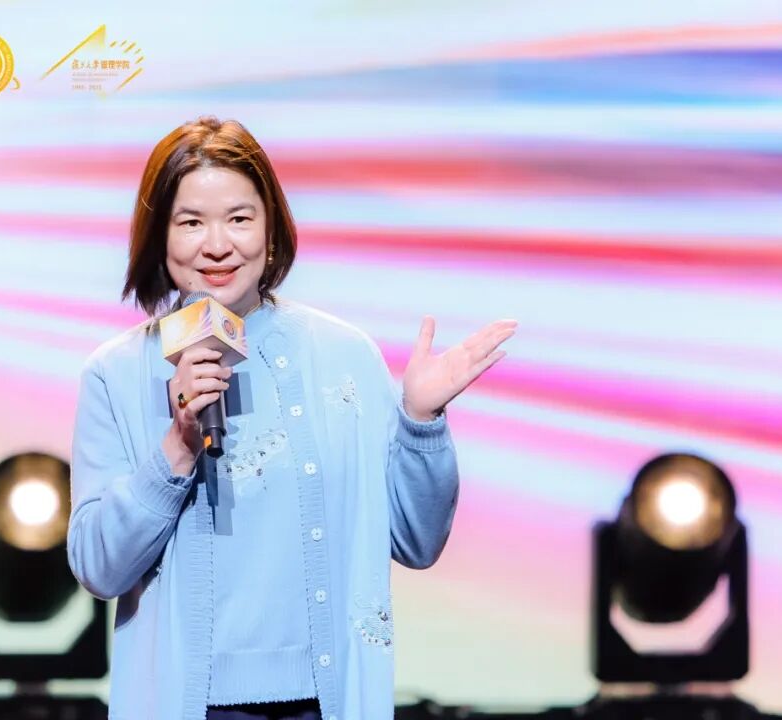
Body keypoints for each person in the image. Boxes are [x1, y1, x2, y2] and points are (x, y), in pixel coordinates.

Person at [66, 116, 517, 720]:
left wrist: (420, 418)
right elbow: (99, 568)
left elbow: (416, 541)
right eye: (191, 222)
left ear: (271, 229)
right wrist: (178, 447)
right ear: (159, 237)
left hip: (326, 702)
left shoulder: (344, 354)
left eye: (239, 218)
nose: (217, 245)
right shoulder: (116, 373)